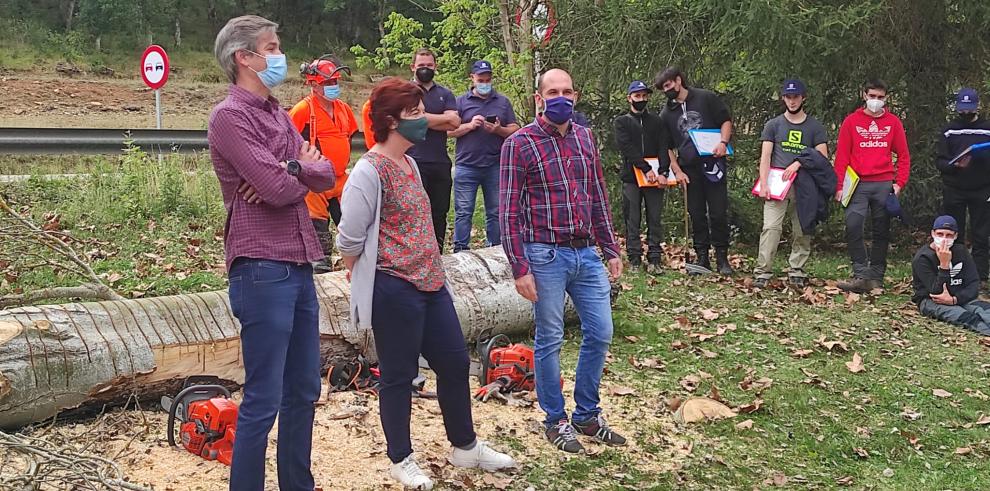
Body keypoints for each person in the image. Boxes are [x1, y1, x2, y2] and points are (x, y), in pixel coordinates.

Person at [336, 77, 516, 490]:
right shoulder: (369, 170)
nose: (423, 119)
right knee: (399, 376)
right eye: (414, 113)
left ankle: (465, 445)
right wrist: (363, 274)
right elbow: (349, 238)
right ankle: (401, 458)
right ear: (389, 121)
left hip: (432, 284)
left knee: (453, 362)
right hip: (394, 286)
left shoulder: (411, 163)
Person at [208, 15, 334, 491]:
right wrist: (294, 169)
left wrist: (290, 168)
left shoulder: (279, 115)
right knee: (264, 396)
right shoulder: (230, 117)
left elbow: (325, 175)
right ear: (245, 57)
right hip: (261, 268)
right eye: (272, 47)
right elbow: (277, 187)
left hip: (300, 264)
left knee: (303, 389)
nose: (279, 56)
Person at [500, 68, 627, 454]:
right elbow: (506, 212)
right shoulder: (520, 144)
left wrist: (611, 247)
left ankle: (587, 414)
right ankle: (555, 419)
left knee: (601, 331)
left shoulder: (586, 138)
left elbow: (598, 196)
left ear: (576, 96)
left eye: (567, 91)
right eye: (552, 91)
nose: (560, 97)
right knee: (550, 337)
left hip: (586, 252)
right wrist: (519, 267)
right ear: (538, 98)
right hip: (545, 252)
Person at [654, 67, 734, 275]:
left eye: (669, 85)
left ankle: (722, 258)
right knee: (696, 213)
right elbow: (666, 147)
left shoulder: (705, 98)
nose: (667, 90)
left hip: (713, 162)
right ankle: (702, 257)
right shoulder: (666, 114)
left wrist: (723, 143)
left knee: (717, 212)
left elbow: (725, 121)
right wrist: (677, 171)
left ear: (678, 80)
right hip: (689, 169)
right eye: (663, 88)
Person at [834, 79, 911, 293]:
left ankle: (876, 276)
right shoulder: (851, 121)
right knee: (853, 225)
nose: (876, 101)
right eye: (872, 96)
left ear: (885, 98)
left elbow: (903, 155)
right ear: (864, 95)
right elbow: (841, 157)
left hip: (883, 183)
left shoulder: (893, 122)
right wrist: (839, 186)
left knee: (881, 230)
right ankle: (860, 274)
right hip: (857, 183)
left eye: (880, 97)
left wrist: (899, 183)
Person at [753, 79, 829, 288]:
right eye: (788, 96)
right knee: (771, 227)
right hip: (777, 186)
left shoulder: (814, 126)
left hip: (805, 186)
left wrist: (798, 163)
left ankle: (797, 268)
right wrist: (764, 184)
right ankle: (763, 270)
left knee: (802, 228)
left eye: (796, 97)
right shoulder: (773, 124)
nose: (792, 101)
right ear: (783, 98)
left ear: (803, 98)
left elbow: (822, 156)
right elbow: (765, 156)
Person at [287, 55, 358, 273]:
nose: (332, 86)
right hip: (315, 181)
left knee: (354, 223)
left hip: (340, 178)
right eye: (328, 83)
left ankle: (359, 264)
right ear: (313, 85)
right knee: (317, 226)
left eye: (335, 82)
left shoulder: (343, 109)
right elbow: (287, 141)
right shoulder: (302, 110)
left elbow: (350, 136)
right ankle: (320, 268)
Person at [448, 60, 519, 252]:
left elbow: (514, 129)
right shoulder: (460, 102)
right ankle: (461, 249)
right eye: (481, 79)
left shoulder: (502, 102)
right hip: (466, 165)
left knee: (495, 211)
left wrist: (498, 129)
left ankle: (495, 249)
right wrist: (469, 126)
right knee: (463, 211)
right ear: (472, 78)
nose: (484, 83)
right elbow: (448, 131)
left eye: (488, 79)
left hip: (495, 165)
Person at [935, 88, 990, 287]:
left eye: (970, 108)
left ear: (977, 106)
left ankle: (981, 277)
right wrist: (954, 166)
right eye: (962, 108)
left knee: (981, 233)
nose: (966, 113)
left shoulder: (987, 128)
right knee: (953, 234)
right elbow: (940, 162)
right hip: (954, 188)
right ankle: (955, 273)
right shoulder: (949, 130)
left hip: (982, 188)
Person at [613, 80, 669, 273]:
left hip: (655, 178)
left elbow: (664, 147)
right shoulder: (622, 122)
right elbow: (627, 148)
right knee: (632, 218)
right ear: (629, 98)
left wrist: (664, 172)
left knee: (654, 217)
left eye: (644, 96)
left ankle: (655, 258)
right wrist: (645, 168)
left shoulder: (657, 121)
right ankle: (635, 258)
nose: (641, 99)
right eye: (637, 96)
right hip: (632, 177)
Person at [407, 48, 460, 251]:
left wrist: (423, 118)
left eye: (429, 65)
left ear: (435, 66)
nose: (425, 69)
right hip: (413, 160)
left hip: (439, 161)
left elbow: (454, 122)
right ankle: (416, 252)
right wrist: (441, 119)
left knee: (439, 211)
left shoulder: (444, 94)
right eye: (421, 66)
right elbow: (410, 119)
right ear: (413, 67)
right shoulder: (407, 92)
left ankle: (437, 251)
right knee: (415, 212)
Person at [911, 215, 990, 336]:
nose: (944, 239)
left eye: (949, 235)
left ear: (955, 236)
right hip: (931, 301)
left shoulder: (961, 251)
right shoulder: (923, 258)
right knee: (967, 317)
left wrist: (955, 299)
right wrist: (944, 264)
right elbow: (936, 291)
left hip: (959, 297)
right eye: (940, 234)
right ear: (932, 234)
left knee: (985, 311)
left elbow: (974, 283)